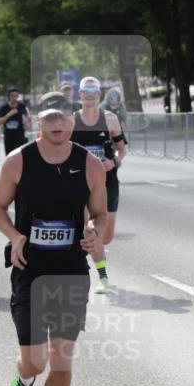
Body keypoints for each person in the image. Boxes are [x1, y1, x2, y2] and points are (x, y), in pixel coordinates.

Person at [0, 91, 107, 386]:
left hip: (72, 269)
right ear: (37, 121)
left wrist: (94, 230)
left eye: (63, 118)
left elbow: (100, 213)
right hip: (30, 269)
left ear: (72, 121)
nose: (57, 124)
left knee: (61, 358)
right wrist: (14, 236)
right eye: (49, 118)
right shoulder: (17, 162)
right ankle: (24, 380)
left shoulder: (89, 165)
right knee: (36, 361)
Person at [70, 76, 128, 294]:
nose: (90, 97)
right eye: (87, 93)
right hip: (80, 183)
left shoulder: (110, 119)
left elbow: (122, 149)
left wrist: (113, 161)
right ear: (81, 95)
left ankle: (95, 250)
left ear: (99, 96)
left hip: (107, 183)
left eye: (94, 93)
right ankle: (102, 278)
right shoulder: (72, 120)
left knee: (106, 236)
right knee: (90, 233)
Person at [0, 88, 30, 156]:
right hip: (9, 138)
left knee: (20, 157)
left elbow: (28, 118)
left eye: (16, 96)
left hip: (20, 137)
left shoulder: (22, 106)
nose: (14, 98)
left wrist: (28, 124)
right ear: (9, 97)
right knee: (10, 157)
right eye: (12, 96)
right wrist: (9, 114)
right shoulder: (4, 108)